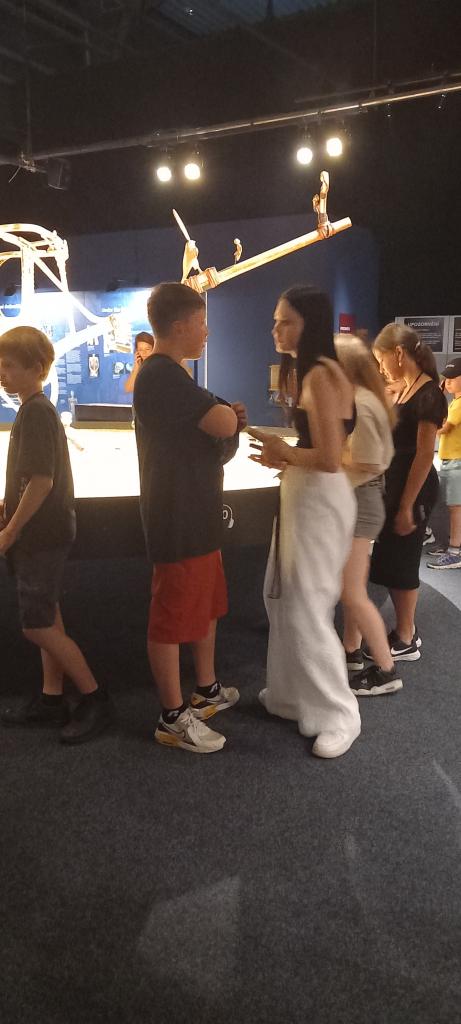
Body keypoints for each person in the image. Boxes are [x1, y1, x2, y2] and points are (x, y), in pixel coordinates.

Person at [248, 285, 361, 760]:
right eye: (276, 320)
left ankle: (339, 714)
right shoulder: (313, 372)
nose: (276, 329)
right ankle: (290, 696)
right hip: (305, 495)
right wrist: (285, 457)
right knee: (283, 600)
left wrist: (285, 452)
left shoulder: (321, 375)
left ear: (309, 324)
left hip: (319, 499)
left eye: (286, 321)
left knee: (307, 607)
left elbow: (331, 458)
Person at [133, 282, 247, 754]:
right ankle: (172, 716)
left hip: (197, 517)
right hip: (176, 521)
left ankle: (205, 690)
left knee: (205, 607)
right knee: (171, 618)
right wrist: (226, 420)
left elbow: (221, 430)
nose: (206, 331)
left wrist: (225, 422)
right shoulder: (161, 376)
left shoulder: (175, 377)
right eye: (201, 322)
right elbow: (224, 423)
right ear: (179, 326)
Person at [0, 326, 112, 743]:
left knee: (36, 626)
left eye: (9, 366)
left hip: (40, 536)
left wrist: (10, 530)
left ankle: (95, 697)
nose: (2, 373)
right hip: (46, 532)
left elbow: (42, 481)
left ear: (36, 368)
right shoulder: (35, 410)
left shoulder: (35, 413)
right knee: (47, 615)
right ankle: (52, 698)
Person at [369, 323, 447, 659]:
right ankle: (405, 630)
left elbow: (424, 455)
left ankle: (406, 637)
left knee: (403, 561)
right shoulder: (406, 389)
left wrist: (406, 506)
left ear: (398, 353)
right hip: (396, 486)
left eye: (381, 360)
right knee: (392, 560)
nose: (381, 368)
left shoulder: (429, 394)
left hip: (413, 489)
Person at [334, 334, 402, 696]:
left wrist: (325, 460)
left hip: (362, 501)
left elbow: (369, 460)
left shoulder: (361, 402)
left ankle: (387, 670)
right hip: (364, 499)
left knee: (352, 592)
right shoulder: (366, 398)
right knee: (353, 587)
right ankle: (352, 651)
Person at [426, 356, 461, 570]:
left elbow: (443, 428)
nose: (447, 382)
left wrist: (426, 427)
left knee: (456, 509)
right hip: (451, 462)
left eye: (453, 378)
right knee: (452, 507)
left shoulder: (459, 404)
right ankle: (449, 545)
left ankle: (455, 551)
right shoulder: (455, 402)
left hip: (457, 463)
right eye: (446, 378)